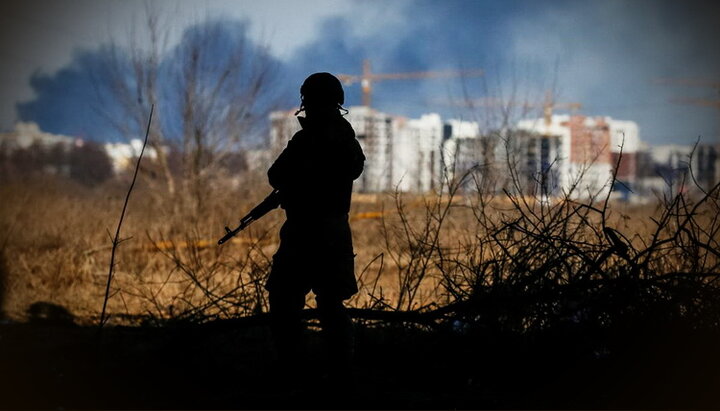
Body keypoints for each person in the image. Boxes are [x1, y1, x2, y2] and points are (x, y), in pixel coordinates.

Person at [265, 72, 365, 392]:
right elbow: (351, 168)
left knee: (287, 300)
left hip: (309, 231)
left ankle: (294, 371)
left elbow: (276, 175)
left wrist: (303, 177)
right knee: (329, 305)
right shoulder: (345, 138)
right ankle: (338, 374)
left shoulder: (311, 139)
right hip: (330, 232)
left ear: (308, 100)